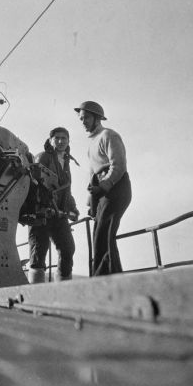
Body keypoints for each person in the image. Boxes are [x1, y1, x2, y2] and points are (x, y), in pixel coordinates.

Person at [74, 101, 132, 276]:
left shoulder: (108, 135)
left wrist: (104, 186)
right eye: (81, 119)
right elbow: (92, 175)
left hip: (116, 188)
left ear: (97, 118)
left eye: (86, 118)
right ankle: (112, 277)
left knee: (103, 234)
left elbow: (119, 166)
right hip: (101, 192)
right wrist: (91, 204)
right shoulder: (91, 143)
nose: (83, 122)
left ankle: (103, 279)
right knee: (100, 234)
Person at [28, 127, 80, 283]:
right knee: (38, 254)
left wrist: (73, 208)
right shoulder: (42, 157)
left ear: (68, 141)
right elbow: (36, 182)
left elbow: (66, 189)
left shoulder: (66, 162)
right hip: (42, 213)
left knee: (68, 248)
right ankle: (36, 295)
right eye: (57, 138)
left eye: (64, 138)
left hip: (60, 215)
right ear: (50, 140)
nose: (60, 141)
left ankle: (62, 290)